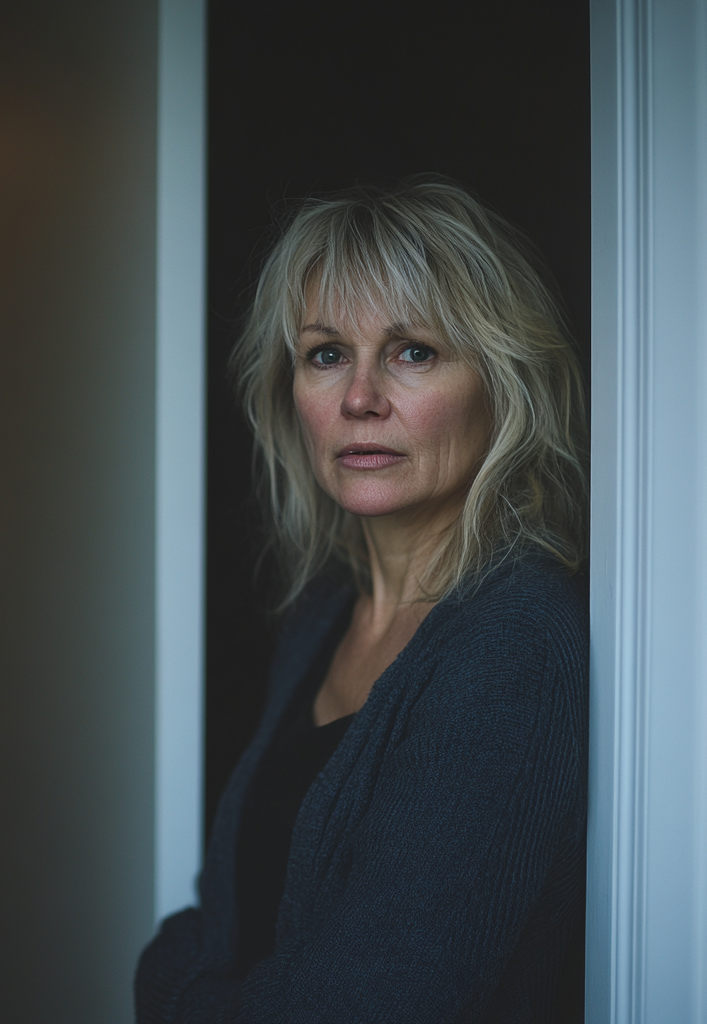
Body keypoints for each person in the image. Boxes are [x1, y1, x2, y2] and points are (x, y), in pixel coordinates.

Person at [135, 178, 589, 1023]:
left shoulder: (511, 648)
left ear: (501, 382)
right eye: (326, 352)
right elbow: (229, 909)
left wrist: (166, 992)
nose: (358, 398)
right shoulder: (322, 620)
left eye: (413, 350)